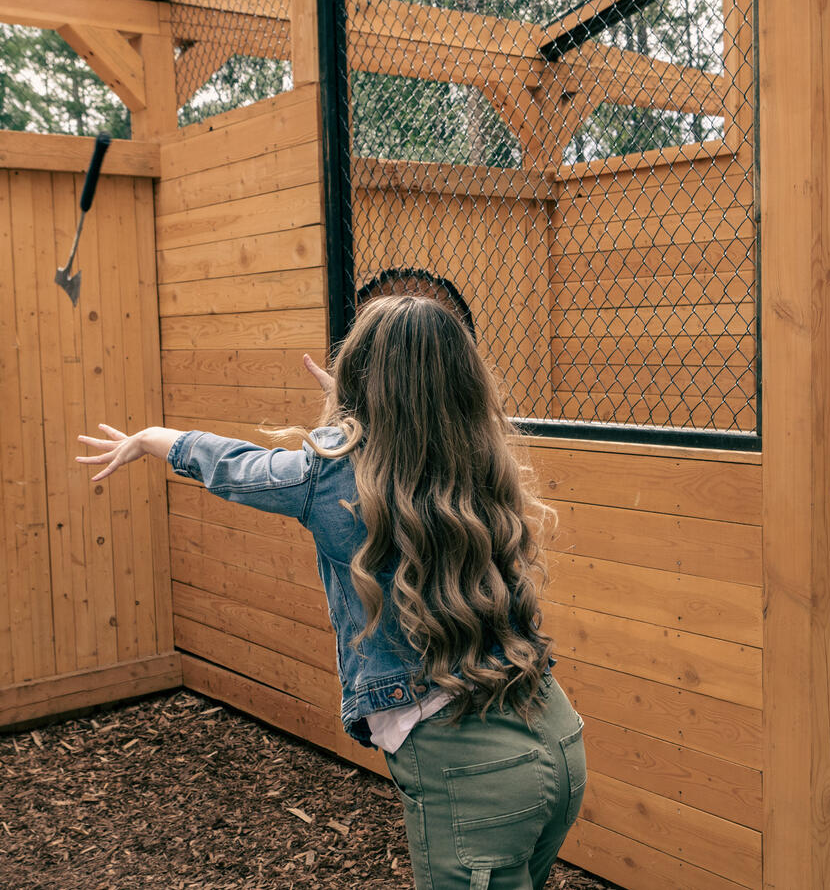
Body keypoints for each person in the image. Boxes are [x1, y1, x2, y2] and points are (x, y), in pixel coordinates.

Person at [77, 295, 587, 890]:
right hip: (556, 734)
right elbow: (405, 432)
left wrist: (151, 437)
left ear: (362, 386)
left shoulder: (330, 476)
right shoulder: (481, 459)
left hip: (477, 773)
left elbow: (237, 465)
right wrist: (355, 408)